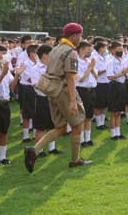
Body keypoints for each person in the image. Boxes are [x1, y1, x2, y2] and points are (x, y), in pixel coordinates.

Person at [24, 24, 93, 172]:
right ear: (74, 36)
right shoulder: (70, 52)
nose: (80, 38)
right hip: (64, 91)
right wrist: (73, 101)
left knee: (61, 127)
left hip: (52, 91)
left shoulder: (55, 49)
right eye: (80, 35)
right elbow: (70, 76)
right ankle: (75, 160)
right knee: (78, 123)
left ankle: (33, 151)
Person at [30, 44, 61, 156]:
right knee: (41, 127)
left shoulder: (53, 68)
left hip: (53, 99)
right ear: (44, 55)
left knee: (53, 125)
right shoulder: (35, 69)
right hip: (42, 99)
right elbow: (37, 85)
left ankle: (52, 148)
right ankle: (40, 150)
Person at [76, 41, 97, 146]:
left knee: (89, 116)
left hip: (91, 90)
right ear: (81, 49)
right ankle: (81, 140)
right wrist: (90, 68)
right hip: (82, 90)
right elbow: (81, 79)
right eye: (88, 49)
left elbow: (96, 76)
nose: (90, 52)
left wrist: (92, 68)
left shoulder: (89, 60)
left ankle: (88, 139)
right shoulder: (76, 61)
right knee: (82, 117)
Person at [107, 41, 128, 140]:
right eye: (119, 50)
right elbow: (110, 77)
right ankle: (113, 134)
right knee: (114, 111)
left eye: (122, 49)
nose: (121, 51)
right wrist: (122, 73)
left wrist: (127, 72)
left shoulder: (122, 60)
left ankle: (118, 132)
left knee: (119, 111)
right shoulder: (111, 61)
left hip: (122, 85)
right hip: (114, 86)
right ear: (113, 50)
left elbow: (124, 74)